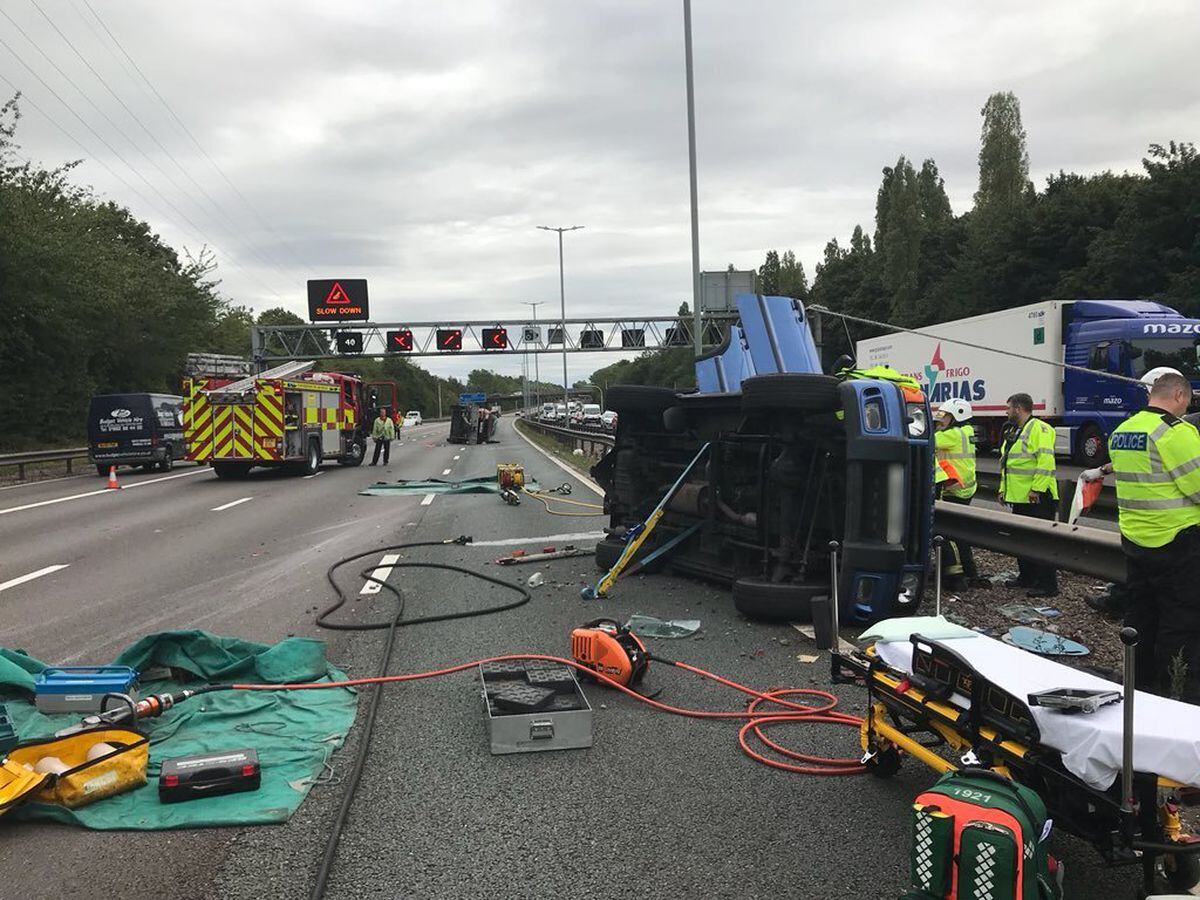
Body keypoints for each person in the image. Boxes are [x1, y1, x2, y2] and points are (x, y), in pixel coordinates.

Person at [1084, 370, 1200, 702]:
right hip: (1178, 542)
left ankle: (1141, 687)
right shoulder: (1176, 432)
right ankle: (1178, 692)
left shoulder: (1124, 430)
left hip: (1136, 541)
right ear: (1178, 395)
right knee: (1182, 622)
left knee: (1142, 616)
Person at [999, 392, 1059, 597]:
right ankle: (1027, 577)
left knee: (1041, 542)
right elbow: (1008, 462)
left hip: (1038, 497)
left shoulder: (1040, 429)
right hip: (1020, 496)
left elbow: (1045, 462)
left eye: (1008, 408)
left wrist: (1037, 489)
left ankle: (1047, 585)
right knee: (1022, 540)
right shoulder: (1016, 431)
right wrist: (1003, 489)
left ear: (1018, 408)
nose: (1006, 412)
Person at [934, 398, 977, 589]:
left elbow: (927, 439)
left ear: (957, 416)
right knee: (960, 534)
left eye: (945, 416)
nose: (941, 420)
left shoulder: (952, 435)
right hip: (965, 488)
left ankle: (958, 573)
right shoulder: (966, 431)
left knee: (949, 532)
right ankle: (969, 571)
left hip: (955, 490)